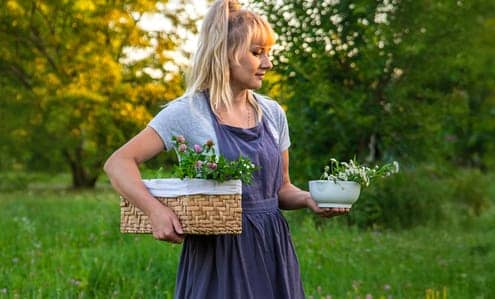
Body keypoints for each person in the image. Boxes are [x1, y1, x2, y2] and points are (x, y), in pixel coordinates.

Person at [103, 1, 342, 297]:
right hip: (217, 255)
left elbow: (281, 188)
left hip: (272, 250)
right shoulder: (188, 112)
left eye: (269, 53)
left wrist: (308, 199)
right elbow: (119, 162)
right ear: (226, 55)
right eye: (257, 53)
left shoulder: (272, 113)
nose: (268, 63)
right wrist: (154, 211)